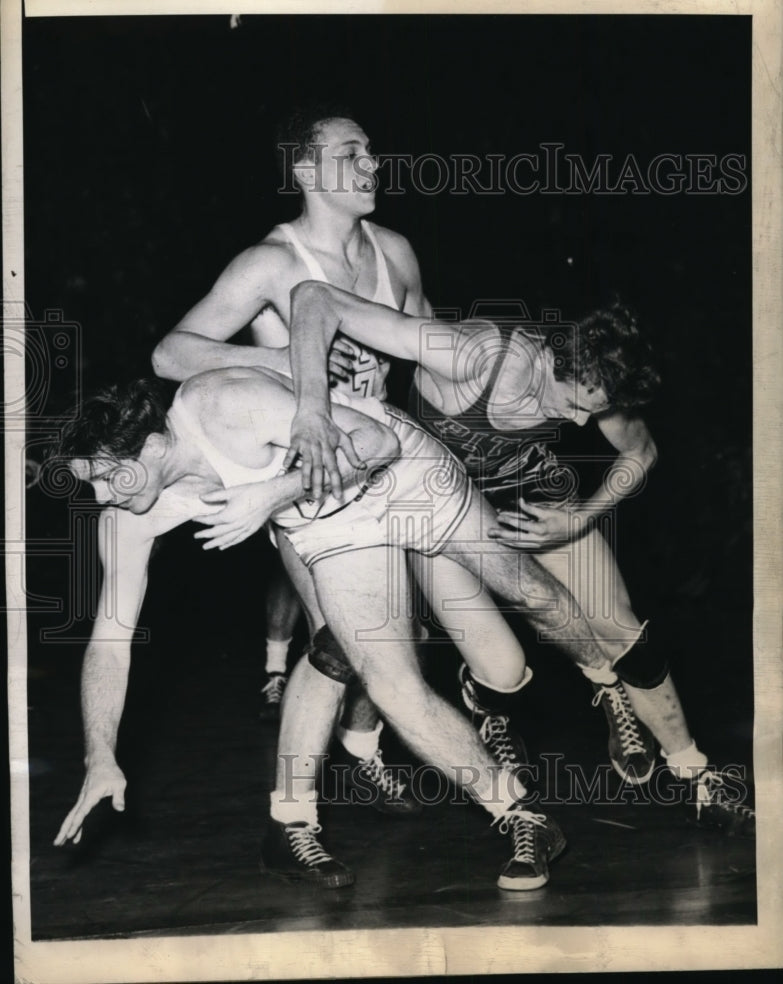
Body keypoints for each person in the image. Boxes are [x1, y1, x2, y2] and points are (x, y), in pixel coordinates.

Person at [51, 365, 622, 889]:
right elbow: (108, 643)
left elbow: (377, 444)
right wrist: (99, 756)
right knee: (390, 684)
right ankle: (524, 816)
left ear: (152, 446)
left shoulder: (221, 404)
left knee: (533, 594)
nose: (102, 496)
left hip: (396, 472)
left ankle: (619, 684)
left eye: (108, 478)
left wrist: (272, 493)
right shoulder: (125, 520)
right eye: (91, 483)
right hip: (326, 519)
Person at [282, 281, 756, 838]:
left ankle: (696, 777)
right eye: (575, 405)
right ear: (554, 362)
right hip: (444, 505)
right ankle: (485, 696)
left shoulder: (594, 378)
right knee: (505, 665)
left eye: (592, 411)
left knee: (619, 627)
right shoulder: (471, 354)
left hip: (527, 494)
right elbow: (316, 298)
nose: (580, 424)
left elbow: (640, 451)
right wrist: (311, 409)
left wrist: (582, 514)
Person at [150, 103, 448, 806]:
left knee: (403, 631)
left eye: (372, 151)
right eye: (352, 153)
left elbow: (431, 352)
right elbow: (170, 354)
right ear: (306, 170)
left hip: (381, 452)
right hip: (303, 468)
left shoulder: (394, 251)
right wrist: (291, 356)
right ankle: (294, 813)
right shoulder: (270, 261)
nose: (372, 164)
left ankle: (362, 743)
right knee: (340, 640)